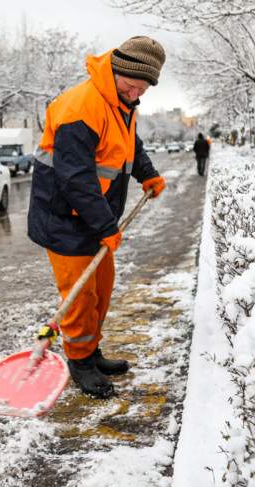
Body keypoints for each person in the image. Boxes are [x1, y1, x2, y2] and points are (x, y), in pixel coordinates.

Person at [27, 36, 167, 399]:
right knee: (79, 299)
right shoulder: (81, 107)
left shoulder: (122, 103)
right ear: (116, 71)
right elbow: (75, 178)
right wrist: (106, 226)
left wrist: (146, 173)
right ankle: (80, 362)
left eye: (143, 88)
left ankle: (92, 351)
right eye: (131, 84)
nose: (136, 93)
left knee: (101, 292)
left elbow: (129, 146)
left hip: (94, 218)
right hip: (64, 220)